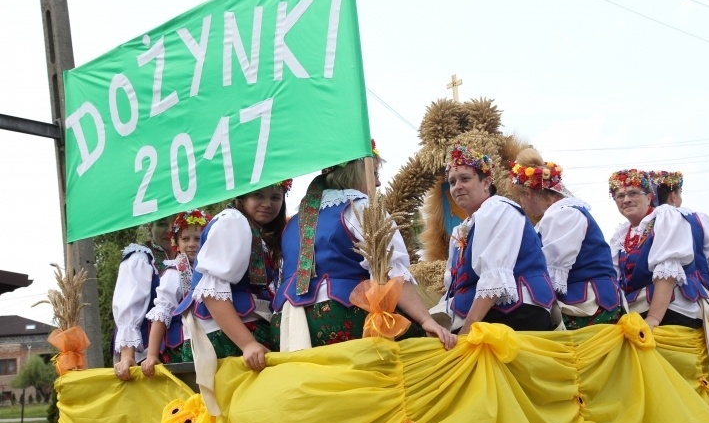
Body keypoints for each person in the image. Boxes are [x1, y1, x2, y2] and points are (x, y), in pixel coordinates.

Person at [272, 142, 456, 350]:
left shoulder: (294, 221)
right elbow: (392, 273)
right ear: (358, 172)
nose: (377, 183)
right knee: (418, 343)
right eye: (374, 173)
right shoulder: (361, 208)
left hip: (285, 326)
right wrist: (426, 320)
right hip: (337, 315)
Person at [173, 182, 289, 371]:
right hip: (223, 335)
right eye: (258, 195)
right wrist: (248, 344)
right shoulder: (232, 221)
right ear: (241, 197)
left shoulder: (252, 229)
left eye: (275, 198)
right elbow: (212, 292)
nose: (267, 204)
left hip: (231, 332)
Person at [442, 145, 556, 334]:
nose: (457, 187)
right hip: (486, 314)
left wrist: (466, 333)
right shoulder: (462, 228)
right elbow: (452, 286)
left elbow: (494, 278)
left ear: (486, 183)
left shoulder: (499, 209)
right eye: (453, 182)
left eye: (465, 179)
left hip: (516, 311)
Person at [511, 148, 623, 329]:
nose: (522, 205)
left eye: (520, 198)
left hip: (589, 305)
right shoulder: (557, 215)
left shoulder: (565, 214)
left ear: (528, 194)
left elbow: (549, 271)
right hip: (579, 302)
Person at [608, 169, 708, 329]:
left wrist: (653, 319)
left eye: (633, 193)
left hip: (670, 311)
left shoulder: (665, 217)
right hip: (636, 312)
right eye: (620, 196)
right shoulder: (621, 235)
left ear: (649, 198)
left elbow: (667, 273)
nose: (626, 200)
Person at [650, 171, 709, 311]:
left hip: (649, 301)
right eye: (680, 194)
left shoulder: (640, 226)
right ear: (674, 196)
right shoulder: (696, 219)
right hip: (696, 301)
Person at [140, 209, 212, 377]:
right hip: (184, 346)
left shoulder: (210, 269)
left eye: (198, 239)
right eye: (185, 239)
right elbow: (162, 313)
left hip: (207, 338)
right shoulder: (175, 272)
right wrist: (151, 355)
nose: (192, 244)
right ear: (177, 243)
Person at [113, 216, 176, 381]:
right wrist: (127, 356)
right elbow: (128, 305)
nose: (169, 229)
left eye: (174, 223)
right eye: (162, 223)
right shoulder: (140, 258)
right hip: (143, 356)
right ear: (150, 227)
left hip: (175, 351)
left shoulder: (187, 254)